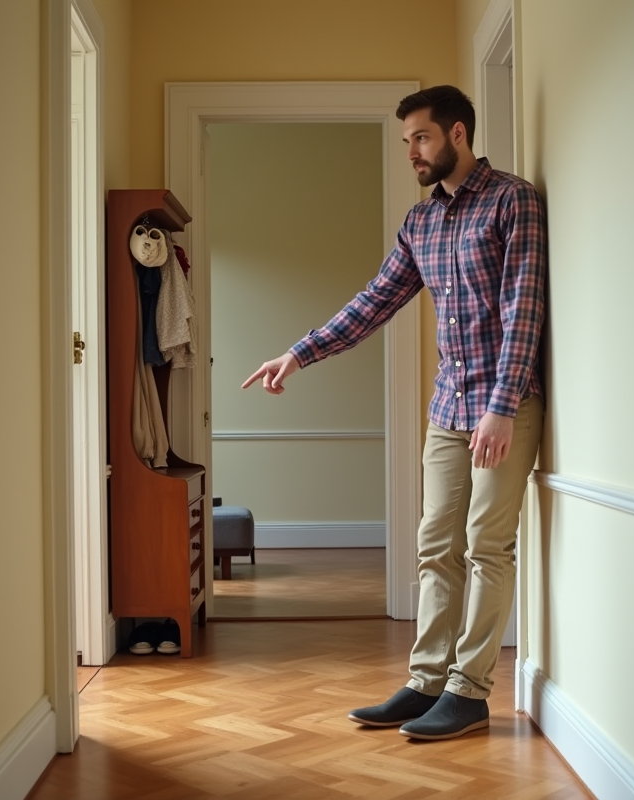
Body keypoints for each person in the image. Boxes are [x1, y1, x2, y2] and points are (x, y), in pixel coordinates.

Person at [242, 85, 547, 741]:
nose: (411, 150)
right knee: (436, 546)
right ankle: (426, 681)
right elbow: (373, 302)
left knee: (486, 546)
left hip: (505, 405)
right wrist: (298, 354)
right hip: (448, 406)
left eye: (421, 137)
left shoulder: (512, 201)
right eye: (406, 139)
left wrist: (501, 409)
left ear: (458, 134)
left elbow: (525, 309)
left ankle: (468, 692)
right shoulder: (421, 224)